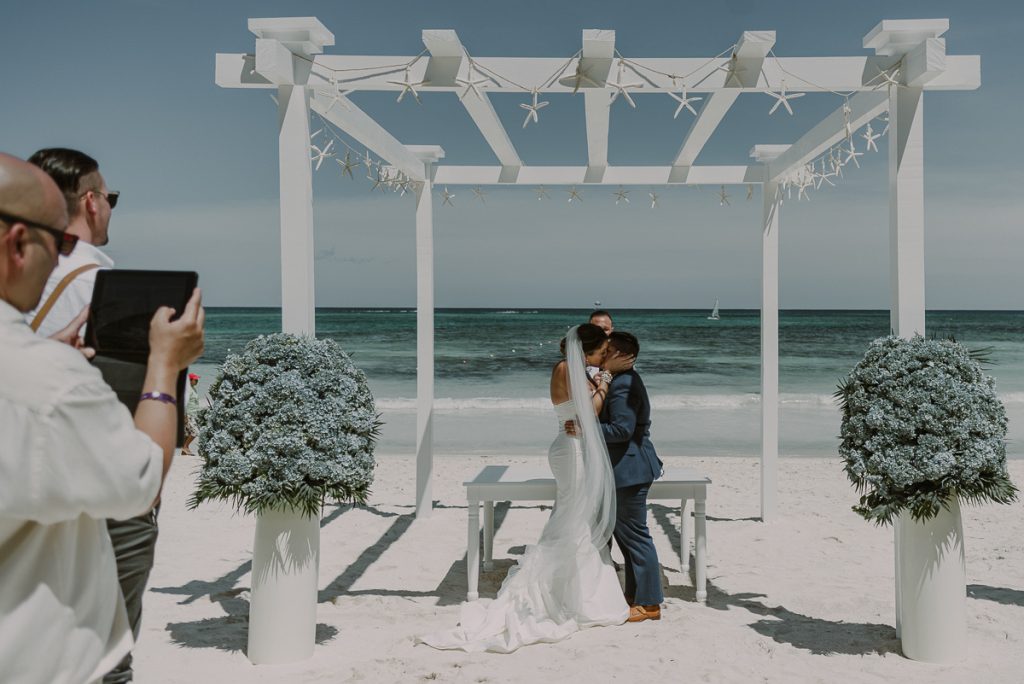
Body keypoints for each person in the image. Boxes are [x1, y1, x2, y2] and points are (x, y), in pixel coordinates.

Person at [0, 152, 204, 684]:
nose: (63, 257)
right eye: (58, 243)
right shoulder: (50, 379)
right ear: (17, 242)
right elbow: (141, 483)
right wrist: (165, 365)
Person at [419, 324, 634, 652]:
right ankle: (564, 594)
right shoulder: (565, 368)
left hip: (577, 448)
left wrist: (602, 376)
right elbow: (590, 411)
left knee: (578, 518)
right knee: (573, 519)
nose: (604, 357)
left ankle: (580, 592)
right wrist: (606, 378)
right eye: (601, 352)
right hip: (571, 450)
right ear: (585, 351)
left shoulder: (577, 369)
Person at [26, 147, 154, 683]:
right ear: (92, 202)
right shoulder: (97, 283)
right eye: (111, 197)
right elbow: (132, 399)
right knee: (107, 651)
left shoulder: (22, 281)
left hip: (31, 476)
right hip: (98, 481)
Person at [596, 331, 664, 622]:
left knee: (636, 538)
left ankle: (650, 604)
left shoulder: (624, 384)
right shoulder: (623, 379)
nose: (600, 356)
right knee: (627, 538)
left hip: (629, 470)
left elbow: (622, 430)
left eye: (605, 351)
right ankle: (635, 595)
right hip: (630, 468)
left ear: (621, 356)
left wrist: (585, 427)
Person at [25, 148, 117, 338]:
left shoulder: (12, 275)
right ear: (91, 202)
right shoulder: (106, 288)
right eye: (111, 199)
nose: (110, 208)